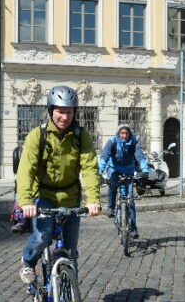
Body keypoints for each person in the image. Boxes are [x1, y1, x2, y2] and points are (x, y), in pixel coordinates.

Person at [17, 85, 101, 285]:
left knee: (70, 252)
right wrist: (26, 201)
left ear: (75, 112)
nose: (64, 117)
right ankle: (28, 262)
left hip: (71, 198)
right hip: (43, 196)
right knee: (42, 237)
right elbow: (26, 169)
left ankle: (70, 299)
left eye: (69, 112)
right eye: (60, 111)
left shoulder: (81, 136)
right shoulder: (38, 135)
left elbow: (89, 168)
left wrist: (93, 200)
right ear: (51, 111)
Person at [98, 123, 152, 239]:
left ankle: (133, 228)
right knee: (112, 184)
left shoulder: (133, 142)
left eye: (126, 133)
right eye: (122, 133)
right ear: (119, 133)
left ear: (129, 133)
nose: (124, 135)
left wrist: (145, 170)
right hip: (113, 168)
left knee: (130, 200)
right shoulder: (112, 142)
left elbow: (140, 157)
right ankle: (111, 207)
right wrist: (99, 172)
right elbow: (104, 157)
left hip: (128, 170)